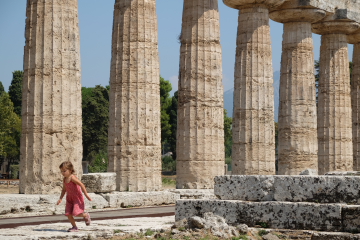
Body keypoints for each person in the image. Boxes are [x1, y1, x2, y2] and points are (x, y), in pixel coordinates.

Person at [56, 161, 92, 232]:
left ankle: (85, 215)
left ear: (70, 170)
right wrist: (60, 198)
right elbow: (64, 190)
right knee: (68, 213)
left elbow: (81, 185)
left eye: (64, 171)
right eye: (61, 171)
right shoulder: (64, 179)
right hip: (69, 198)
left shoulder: (72, 178)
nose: (63, 173)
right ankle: (74, 227)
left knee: (75, 213)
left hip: (76, 198)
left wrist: (86, 194)